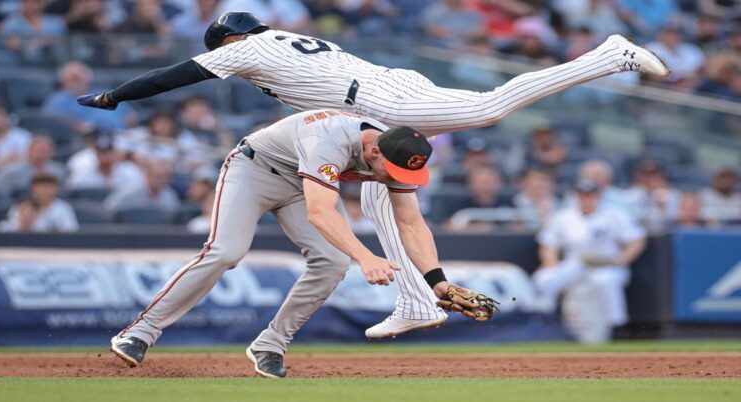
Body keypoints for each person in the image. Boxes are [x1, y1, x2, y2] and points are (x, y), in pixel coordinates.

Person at [77, 10, 670, 339]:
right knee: (386, 199)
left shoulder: (242, 48)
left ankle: (607, 56)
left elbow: (176, 75)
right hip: (387, 90)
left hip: (381, 105)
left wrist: (116, 96)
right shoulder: (291, 35)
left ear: (231, 41)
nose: (227, 56)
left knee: (488, 108)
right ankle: (418, 300)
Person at [109, 110, 497, 377]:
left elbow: (411, 222)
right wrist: (365, 257)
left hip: (304, 185)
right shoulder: (328, 139)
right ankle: (140, 332)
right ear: (374, 150)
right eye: (388, 170)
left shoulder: (397, 153)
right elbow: (321, 213)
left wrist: (437, 282)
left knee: (331, 263)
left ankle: (270, 346)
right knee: (226, 251)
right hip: (257, 169)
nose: (391, 177)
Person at [532, 180, 646, 341]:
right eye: (582, 196)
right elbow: (548, 244)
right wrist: (551, 263)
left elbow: (637, 240)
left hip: (606, 264)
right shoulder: (564, 216)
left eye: (590, 195)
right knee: (544, 278)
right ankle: (544, 319)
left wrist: (622, 259)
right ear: (576, 197)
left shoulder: (614, 214)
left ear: (598, 196)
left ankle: (618, 327)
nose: (585, 199)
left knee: (604, 281)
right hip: (576, 263)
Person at [42, 61, 138, 133]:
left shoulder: (103, 92)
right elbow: (54, 122)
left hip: (120, 135)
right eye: (72, 79)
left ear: (89, 78)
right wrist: (79, 127)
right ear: (63, 82)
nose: (76, 83)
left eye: (78, 78)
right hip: (87, 141)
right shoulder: (57, 100)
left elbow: (130, 116)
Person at [0, 173, 79, 232]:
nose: (45, 191)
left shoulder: (63, 208)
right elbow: (7, 228)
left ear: (57, 189)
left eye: (49, 187)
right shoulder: (22, 206)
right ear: (33, 189)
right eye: (42, 187)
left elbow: (70, 232)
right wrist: (24, 224)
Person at [0, 136, 66, 198]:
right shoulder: (11, 172)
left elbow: (62, 194)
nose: (42, 154)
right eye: (39, 150)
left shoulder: (58, 171)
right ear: (29, 150)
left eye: (46, 151)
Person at [103, 160, 180, 214]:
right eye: (158, 176)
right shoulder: (130, 191)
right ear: (147, 175)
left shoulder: (170, 196)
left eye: (165, 177)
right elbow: (109, 207)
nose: (161, 180)